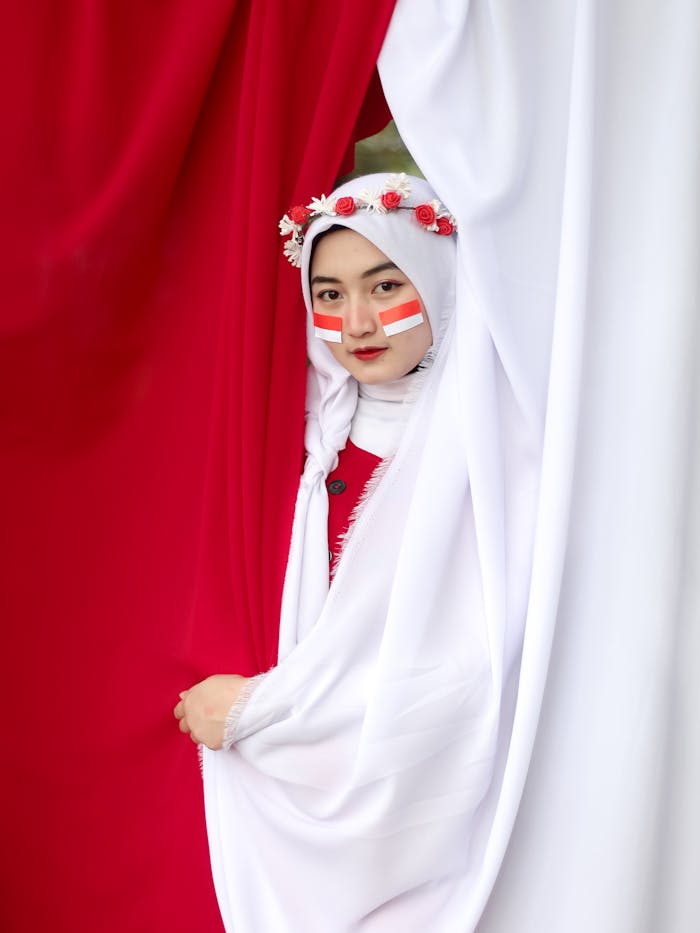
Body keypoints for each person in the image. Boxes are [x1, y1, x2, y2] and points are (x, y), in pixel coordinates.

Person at [174, 174, 520, 931]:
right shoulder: (300, 447)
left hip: (425, 840)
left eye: (384, 283)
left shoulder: (497, 461)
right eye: (327, 294)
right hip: (281, 812)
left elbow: (476, 682)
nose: (357, 321)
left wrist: (265, 710)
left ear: (441, 279)